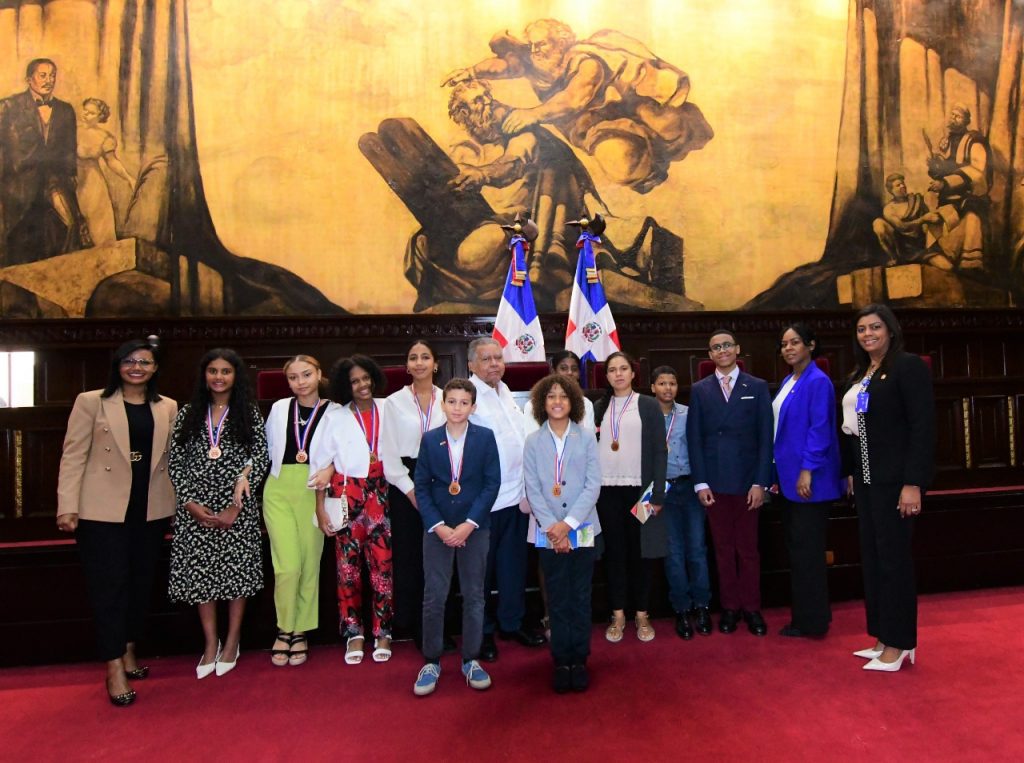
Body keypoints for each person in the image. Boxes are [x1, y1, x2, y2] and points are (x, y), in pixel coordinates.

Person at [441, 19, 713, 193]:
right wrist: (472, 72)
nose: (535, 51)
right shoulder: (532, 60)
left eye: (542, 45)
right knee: (621, 162)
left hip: (623, 102)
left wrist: (533, 114)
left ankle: (676, 140)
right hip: (592, 124)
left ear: (562, 44)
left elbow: (573, 99)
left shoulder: (586, 62)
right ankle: (649, 173)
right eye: (532, 46)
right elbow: (503, 66)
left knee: (672, 128)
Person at [56, 338, 176, 706]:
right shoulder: (90, 401)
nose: (137, 367)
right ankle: (113, 667)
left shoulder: (167, 406)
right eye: (129, 361)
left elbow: (173, 459)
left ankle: (127, 650)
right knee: (109, 588)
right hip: (102, 510)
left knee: (140, 584)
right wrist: (66, 505)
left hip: (150, 508)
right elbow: (73, 454)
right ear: (117, 365)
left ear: (155, 368)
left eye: (145, 361)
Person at [841, 304, 934, 671]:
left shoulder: (907, 366)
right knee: (874, 558)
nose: (868, 334)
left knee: (894, 561)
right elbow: (852, 429)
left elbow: (922, 428)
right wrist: (851, 473)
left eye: (875, 327)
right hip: (866, 483)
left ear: (891, 330)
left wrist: (913, 483)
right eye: (862, 329)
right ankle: (882, 637)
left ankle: (901, 643)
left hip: (896, 482)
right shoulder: (862, 372)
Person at [168, 348, 269, 679]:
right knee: (202, 578)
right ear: (204, 375)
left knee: (236, 576)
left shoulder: (249, 413)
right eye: (213, 371)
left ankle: (233, 641)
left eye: (226, 371)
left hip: (236, 507)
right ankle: (211, 643)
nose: (219, 377)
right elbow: (176, 462)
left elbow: (260, 457)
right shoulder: (187, 414)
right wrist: (189, 503)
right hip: (195, 509)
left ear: (235, 376)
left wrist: (234, 507)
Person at [412, 378, 501, 696]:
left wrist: (469, 524)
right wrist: (437, 524)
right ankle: (432, 660)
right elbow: (421, 485)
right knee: (434, 596)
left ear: (473, 407)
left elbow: (492, 484)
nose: (458, 408)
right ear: (443, 403)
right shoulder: (430, 439)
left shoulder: (485, 438)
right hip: (437, 529)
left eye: (465, 403)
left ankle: (471, 659)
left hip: (474, 529)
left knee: (475, 596)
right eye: (452, 402)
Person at [687, 329, 773, 637]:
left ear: (737, 349)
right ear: (709, 355)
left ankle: (751, 608)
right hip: (715, 484)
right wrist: (700, 483)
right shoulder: (699, 390)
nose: (722, 350)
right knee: (722, 550)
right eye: (715, 347)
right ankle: (730, 608)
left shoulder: (758, 387)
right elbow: (694, 440)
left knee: (748, 551)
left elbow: (766, 438)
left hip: (748, 482)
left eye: (726, 345)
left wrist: (761, 482)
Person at [468, 337, 546, 660]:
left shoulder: (507, 394)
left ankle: (511, 623)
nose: (494, 364)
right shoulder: (467, 397)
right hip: (484, 503)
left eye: (498, 358)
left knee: (513, 568)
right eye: (486, 359)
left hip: (516, 498)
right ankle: (482, 632)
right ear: (472, 364)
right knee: (481, 575)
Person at [524, 374, 601, 693]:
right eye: (551, 396)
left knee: (580, 597)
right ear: (543, 403)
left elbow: (592, 484)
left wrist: (567, 525)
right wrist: (552, 528)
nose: (557, 401)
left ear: (573, 402)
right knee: (556, 597)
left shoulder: (585, 437)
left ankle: (579, 658)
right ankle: (561, 660)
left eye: (564, 396)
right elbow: (532, 487)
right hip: (545, 530)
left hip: (581, 528)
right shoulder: (533, 441)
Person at [262, 355, 335, 666]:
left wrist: (330, 470)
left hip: (313, 490)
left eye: (306, 374)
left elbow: (344, 450)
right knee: (287, 565)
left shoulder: (335, 411)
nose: (300, 382)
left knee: (308, 563)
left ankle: (301, 631)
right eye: (293, 377)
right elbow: (264, 449)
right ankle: (284, 627)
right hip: (278, 488)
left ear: (319, 374)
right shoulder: (279, 408)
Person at [323, 354, 394, 665]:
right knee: (348, 568)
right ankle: (354, 632)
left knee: (383, 567)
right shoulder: (335, 415)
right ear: (345, 386)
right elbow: (321, 461)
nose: (362, 385)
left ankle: (383, 631)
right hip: (346, 492)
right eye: (355, 381)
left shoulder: (388, 408)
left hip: (381, 492)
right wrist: (319, 507)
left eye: (366, 378)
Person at [773, 324, 842, 638]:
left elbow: (820, 429)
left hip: (808, 481)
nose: (788, 348)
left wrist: (807, 470)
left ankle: (812, 622)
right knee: (799, 552)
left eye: (795, 342)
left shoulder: (818, 381)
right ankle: (805, 616)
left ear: (811, 345)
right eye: (784, 344)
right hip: (788, 480)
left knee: (809, 554)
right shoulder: (790, 380)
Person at [593, 350, 667, 643]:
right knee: (615, 554)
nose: (619, 374)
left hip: (642, 491)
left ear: (633, 374)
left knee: (642, 554)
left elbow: (660, 452)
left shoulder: (648, 405)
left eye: (624, 368)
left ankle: (642, 614)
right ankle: (618, 614)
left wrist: (658, 493)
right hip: (606, 493)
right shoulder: (598, 407)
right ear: (607, 376)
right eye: (613, 370)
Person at [381, 339, 448, 648]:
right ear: (406, 366)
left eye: (425, 357)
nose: (419, 362)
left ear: (435, 364)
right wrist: (412, 493)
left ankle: (444, 627)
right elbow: (389, 457)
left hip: (445, 484)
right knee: (413, 560)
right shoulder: (393, 402)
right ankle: (420, 631)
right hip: (406, 484)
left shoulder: (450, 398)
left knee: (443, 559)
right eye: (413, 358)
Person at [0, 58, 90, 266]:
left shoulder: (66, 110)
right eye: (43, 75)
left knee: (70, 224)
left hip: (54, 180)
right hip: (18, 181)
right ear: (29, 79)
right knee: (17, 234)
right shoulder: (8, 106)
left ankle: (64, 274)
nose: (49, 80)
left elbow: (69, 148)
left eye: (52, 75)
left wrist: (70, 176)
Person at [650, 365, 712, 640]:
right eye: (661, 383)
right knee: (673, 553)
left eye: (672, 383)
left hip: (689, 487)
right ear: (652, 388)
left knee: (697, 549)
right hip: (662, 492)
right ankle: (682, 609)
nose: (667, 388)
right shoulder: (645, 417)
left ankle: (702, 605)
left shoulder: (689, 414)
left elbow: (700, 448)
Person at [925, 105, 990, 271]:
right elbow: (947, 168)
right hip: (949, 198)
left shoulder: (974, 141)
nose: (953, 118)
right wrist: (936, 167)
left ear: (966, 121)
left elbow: (976, 171)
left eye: (958, 116)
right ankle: (942, 258)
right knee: (935, 225)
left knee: (971, 218)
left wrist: (946, 183)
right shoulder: (947, 141)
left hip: (969, 197)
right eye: (952, 115)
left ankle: (969, 262)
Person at [76, 97, 135, 245]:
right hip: (72, 178)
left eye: (91, 113)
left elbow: (112, 161)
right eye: (85, 110)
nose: (85, 114)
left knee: (98, 220)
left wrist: (128, 178)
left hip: (91, 182)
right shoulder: (72, 129)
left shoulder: (104, 137)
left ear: (100, 117)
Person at [871, 173, 940, 265]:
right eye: (898, 185)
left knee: (946, 265)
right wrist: (923, 219)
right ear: (891, 190)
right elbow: (902, 227)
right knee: (878, 223)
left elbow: (930, 219)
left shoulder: (916, 200)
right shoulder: (889, 208)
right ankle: (894, 258)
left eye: (903, 183)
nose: (902, 186)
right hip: (902, 246)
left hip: (920, 243)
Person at [523, 350, 595, 434]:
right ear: (553, 371)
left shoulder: (586, 403)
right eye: (563, 368)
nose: (570, 372)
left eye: (574, 369)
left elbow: (590, 438)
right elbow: (531, 440)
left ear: (579, 374)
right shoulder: (533, 404)